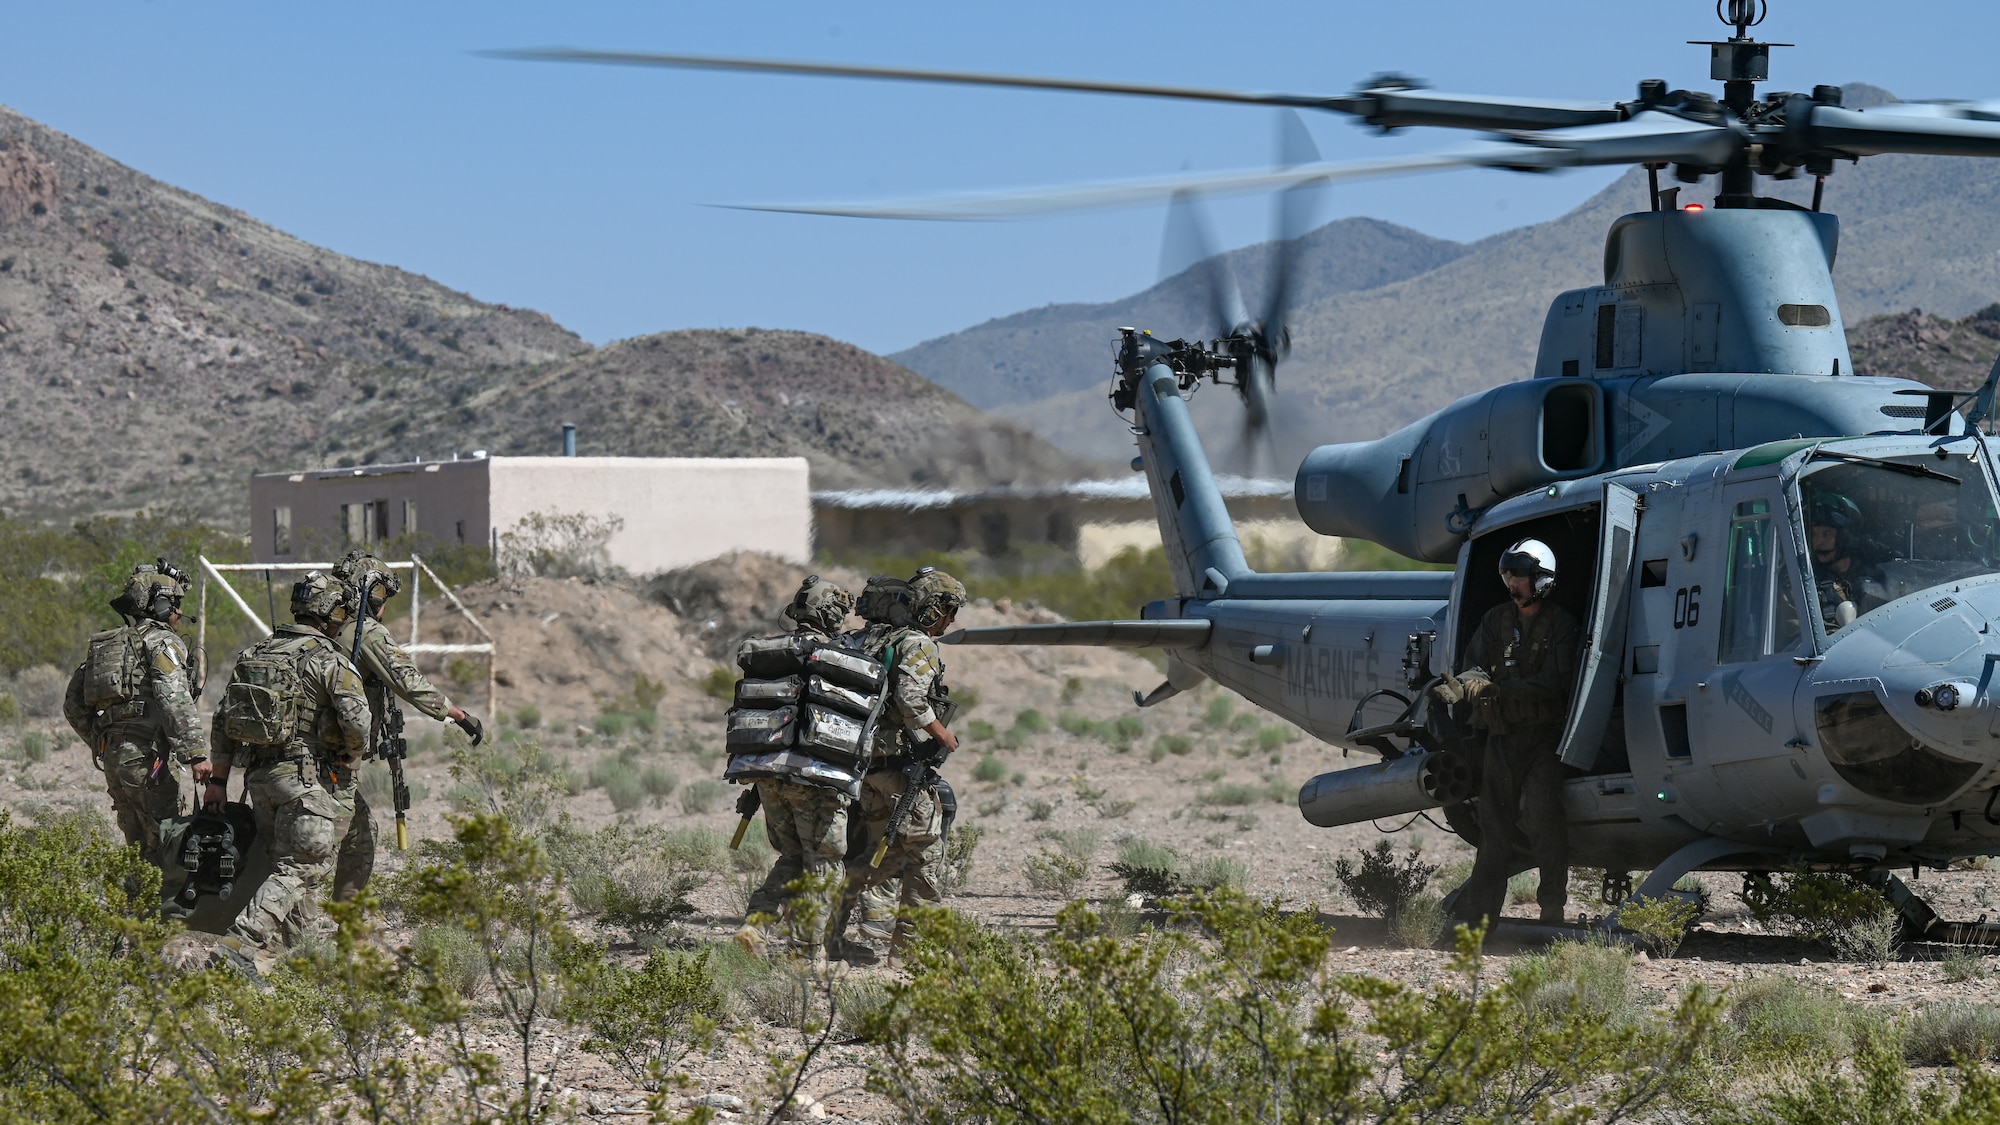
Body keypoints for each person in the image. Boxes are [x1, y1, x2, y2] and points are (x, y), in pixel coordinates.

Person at [204, 571, 370, 963]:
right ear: (328, 612)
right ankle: (237, 947)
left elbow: (222, 720)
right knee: (300, 868)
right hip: (306, 781)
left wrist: (218, 781)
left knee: (287, 872)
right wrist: (353, 751)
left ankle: (298, 960)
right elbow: (358, 721)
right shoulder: (330, 659)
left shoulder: (254, 654)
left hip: (261, 781)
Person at [1432, 539, 1580, 928]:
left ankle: (1552, 908)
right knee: (1493, 827)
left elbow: (1554, 681)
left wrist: (1498, 690)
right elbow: (1475, 666)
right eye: (1510, 577)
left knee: (1543, 816)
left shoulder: (1562, 625)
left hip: (1544, 739)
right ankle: (1481, 918)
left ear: (1542, 581)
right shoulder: (1495, 620)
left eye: (1522, 578)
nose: (1514, 585)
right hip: (1501, 737)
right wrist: (1463, 685)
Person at [328, 549, 485, 898]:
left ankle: (340, 926)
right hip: (332, 761)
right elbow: (407, 681)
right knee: (325, 850)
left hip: (307, 755)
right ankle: (328, 928)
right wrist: (457, 715)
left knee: (338, 839)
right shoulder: (364, 631)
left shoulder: (321, 626)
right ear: (373, 593)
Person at [838, 567, 965, 957]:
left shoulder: (865, 639)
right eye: (950, 610)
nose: (952, 620)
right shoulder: (917, 643)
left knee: (885, 852)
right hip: (896, 768)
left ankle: (822, 926)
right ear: (932, 609)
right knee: (927, 852)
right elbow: (912, 700)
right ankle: (913, 950)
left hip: (862, 768)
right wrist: (944, 736)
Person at [734, 575, 859, 962]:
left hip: (767, 773)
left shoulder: (772, 650)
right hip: (816, 777)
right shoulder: (840, 656)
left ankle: (755, 926)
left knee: (791, 857)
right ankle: (804, 954)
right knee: (824, 864)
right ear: (832, 615)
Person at [62, 561, 206, 869]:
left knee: (137, 848)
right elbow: (174, 700)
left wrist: (102, 739)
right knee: (167, 844)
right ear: (163, 605)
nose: (180, 614)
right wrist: (195, 754)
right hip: (148, 759)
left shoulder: (110, 645)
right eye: (176, 605)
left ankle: (133, 911)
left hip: (113, 759)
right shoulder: (162, 642)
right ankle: (160, 915)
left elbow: (73, 705)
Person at [1806, 493, 1877, 629]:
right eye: (1814, 535)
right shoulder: (1805, 585)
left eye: (1827, 534)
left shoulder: (1874, 575)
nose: (1818, 542)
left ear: (1846, 537)